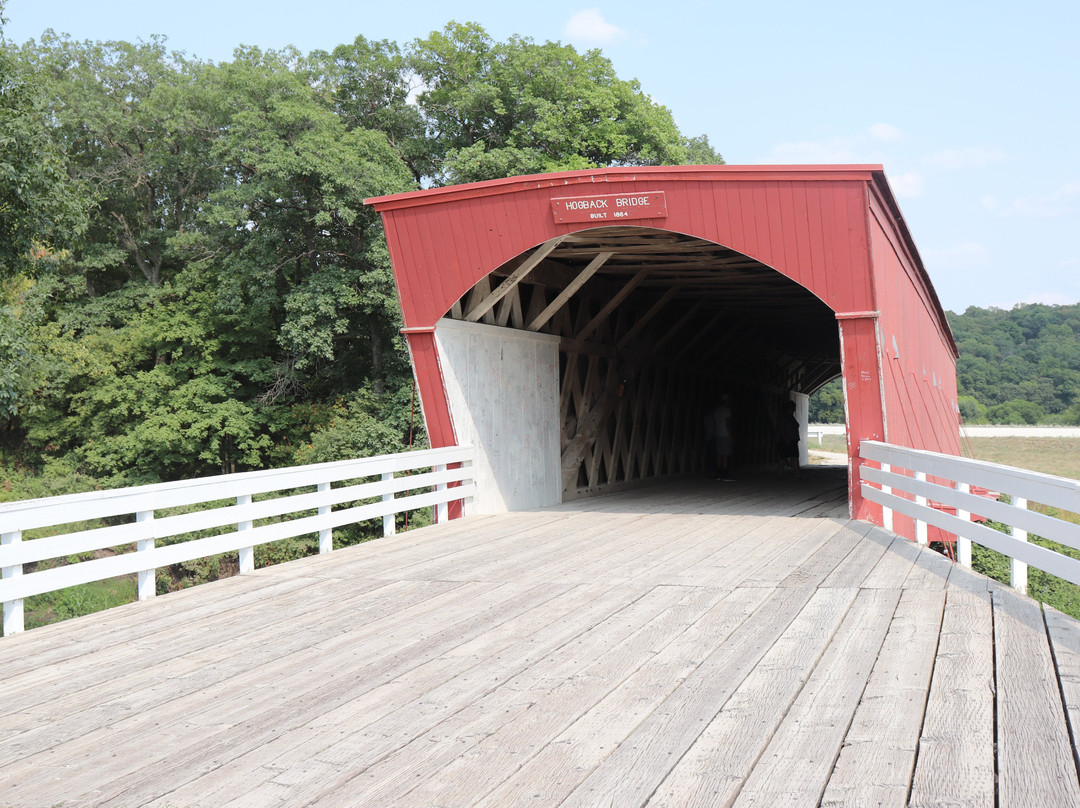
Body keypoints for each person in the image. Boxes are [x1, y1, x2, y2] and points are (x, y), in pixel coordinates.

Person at [706, 394, 734, 480]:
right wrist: (732, 436)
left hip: (718, 434)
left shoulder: (717, 410)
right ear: (726, 401)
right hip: (725, 434)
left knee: (719, 454)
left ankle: (718, 471)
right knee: (725, 454)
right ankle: (724, 472)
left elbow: (715, 422)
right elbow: (728, 424)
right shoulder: (727, 410)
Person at [776, 399, 801, 478]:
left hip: (792, 440)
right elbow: (782, 429)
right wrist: (786, 439)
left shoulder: (791, 416)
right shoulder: (783, 417)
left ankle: (798, 475)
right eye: (793, 408)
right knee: (784, 458)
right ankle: (781, 475)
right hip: (785, 440)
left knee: (793, 458)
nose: (794, 409)